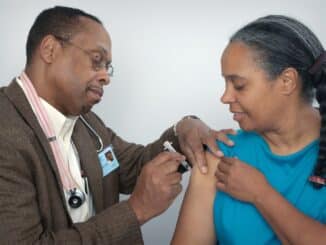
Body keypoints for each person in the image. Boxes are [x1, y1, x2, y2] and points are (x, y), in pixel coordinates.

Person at [0, 6, 233, 244]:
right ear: (50, 50)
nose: (106, 77)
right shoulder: (6, 132)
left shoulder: (86, 123)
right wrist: (135, 211)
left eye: (107, 67)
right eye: (96, 60)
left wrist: (183, 130)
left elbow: (134, 166)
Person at [172, 15, 326, 245]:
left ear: (287, 81)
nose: (224, 97)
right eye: (225, 83)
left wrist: (261, 194)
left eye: (239, 85)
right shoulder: (219, 157)